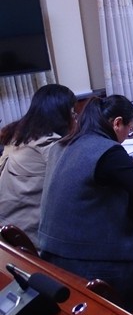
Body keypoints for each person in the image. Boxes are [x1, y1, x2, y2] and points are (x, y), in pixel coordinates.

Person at [39, 95, 133, 311]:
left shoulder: (63, 144)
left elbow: (94, 169)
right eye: (130, 129)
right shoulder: (109, 151)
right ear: (117, 123)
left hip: (52, 253)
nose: (128, 135)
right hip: (89, 260)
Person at [0, 84, 77, 248]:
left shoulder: (16, 137)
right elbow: (76, 185)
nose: (75, 119)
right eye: (72, 113)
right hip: (31, 238)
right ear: (61, 116)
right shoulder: (49, 146)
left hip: (7, 229)